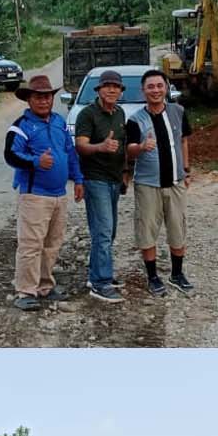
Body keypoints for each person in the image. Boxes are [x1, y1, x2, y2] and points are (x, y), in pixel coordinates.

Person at [4, 74, 84, 311]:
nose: (43, 101)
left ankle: (45, 286)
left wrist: (78, 179)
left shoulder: (59, 121)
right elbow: (11, 155)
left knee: (52, 243)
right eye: (38, 97)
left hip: (59, 195)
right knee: (31, 245)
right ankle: (25, 291)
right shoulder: (20, 127)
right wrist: (36, 161)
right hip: (34, 195)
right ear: (29, 99)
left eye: (47, 96)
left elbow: (70, 152)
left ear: (52, 98)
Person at [125, 69, 193, 297]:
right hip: (147, 185)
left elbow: (183, 141)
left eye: (159, 86)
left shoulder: (178, 111)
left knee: (177, 227)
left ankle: (177, 274)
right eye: (150, 87)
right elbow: (129, 151)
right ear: (143, 91)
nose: (155, 90)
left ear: (166, 88)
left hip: (175, 182)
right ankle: (152, 276)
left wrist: (186, 170)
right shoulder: (135, 120)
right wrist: (141, 147)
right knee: (147, 230)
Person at [74, 69, 129, 303]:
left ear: (120, 91)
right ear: (99, 90)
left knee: (108, 231)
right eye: (107, 86)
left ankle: (96, 275)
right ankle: (101, 283)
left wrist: (125, 173)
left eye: (115, 87)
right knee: (104, 231)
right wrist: (100, 147)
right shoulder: (87, 114)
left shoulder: (120, 113)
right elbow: (80, 146)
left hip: (114, 179)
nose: (111, 90)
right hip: (95, 178)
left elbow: (124, 146)